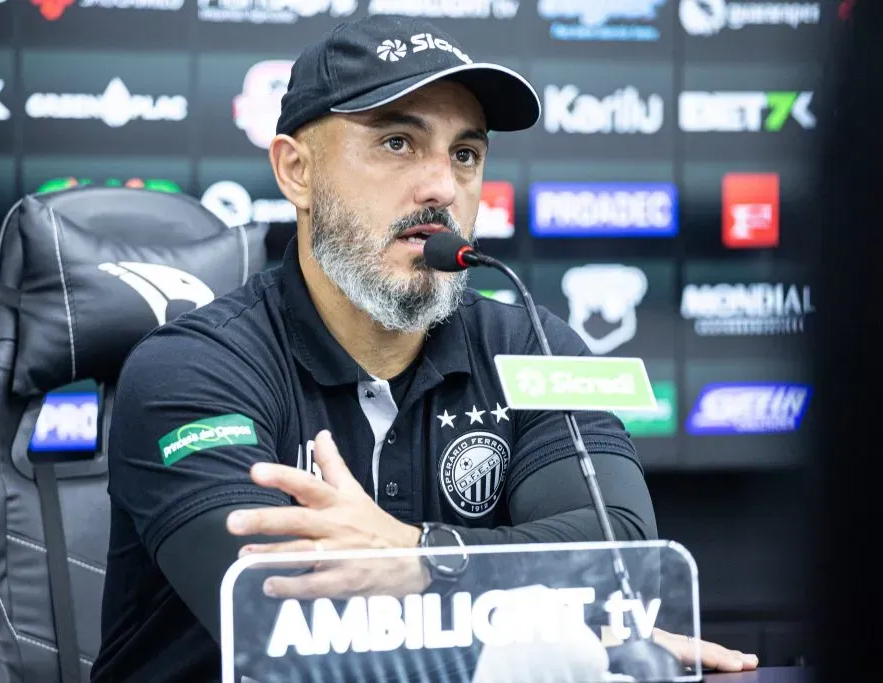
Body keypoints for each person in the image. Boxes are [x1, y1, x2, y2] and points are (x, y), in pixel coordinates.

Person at [90, 15, 759, 683]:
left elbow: (621, 558)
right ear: (296, 171)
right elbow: (283, 625)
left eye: (464, 154)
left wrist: (419, 555)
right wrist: (561, 630)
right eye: (398, 142)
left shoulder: (534, 342)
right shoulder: (190, 370)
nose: (442, 187)